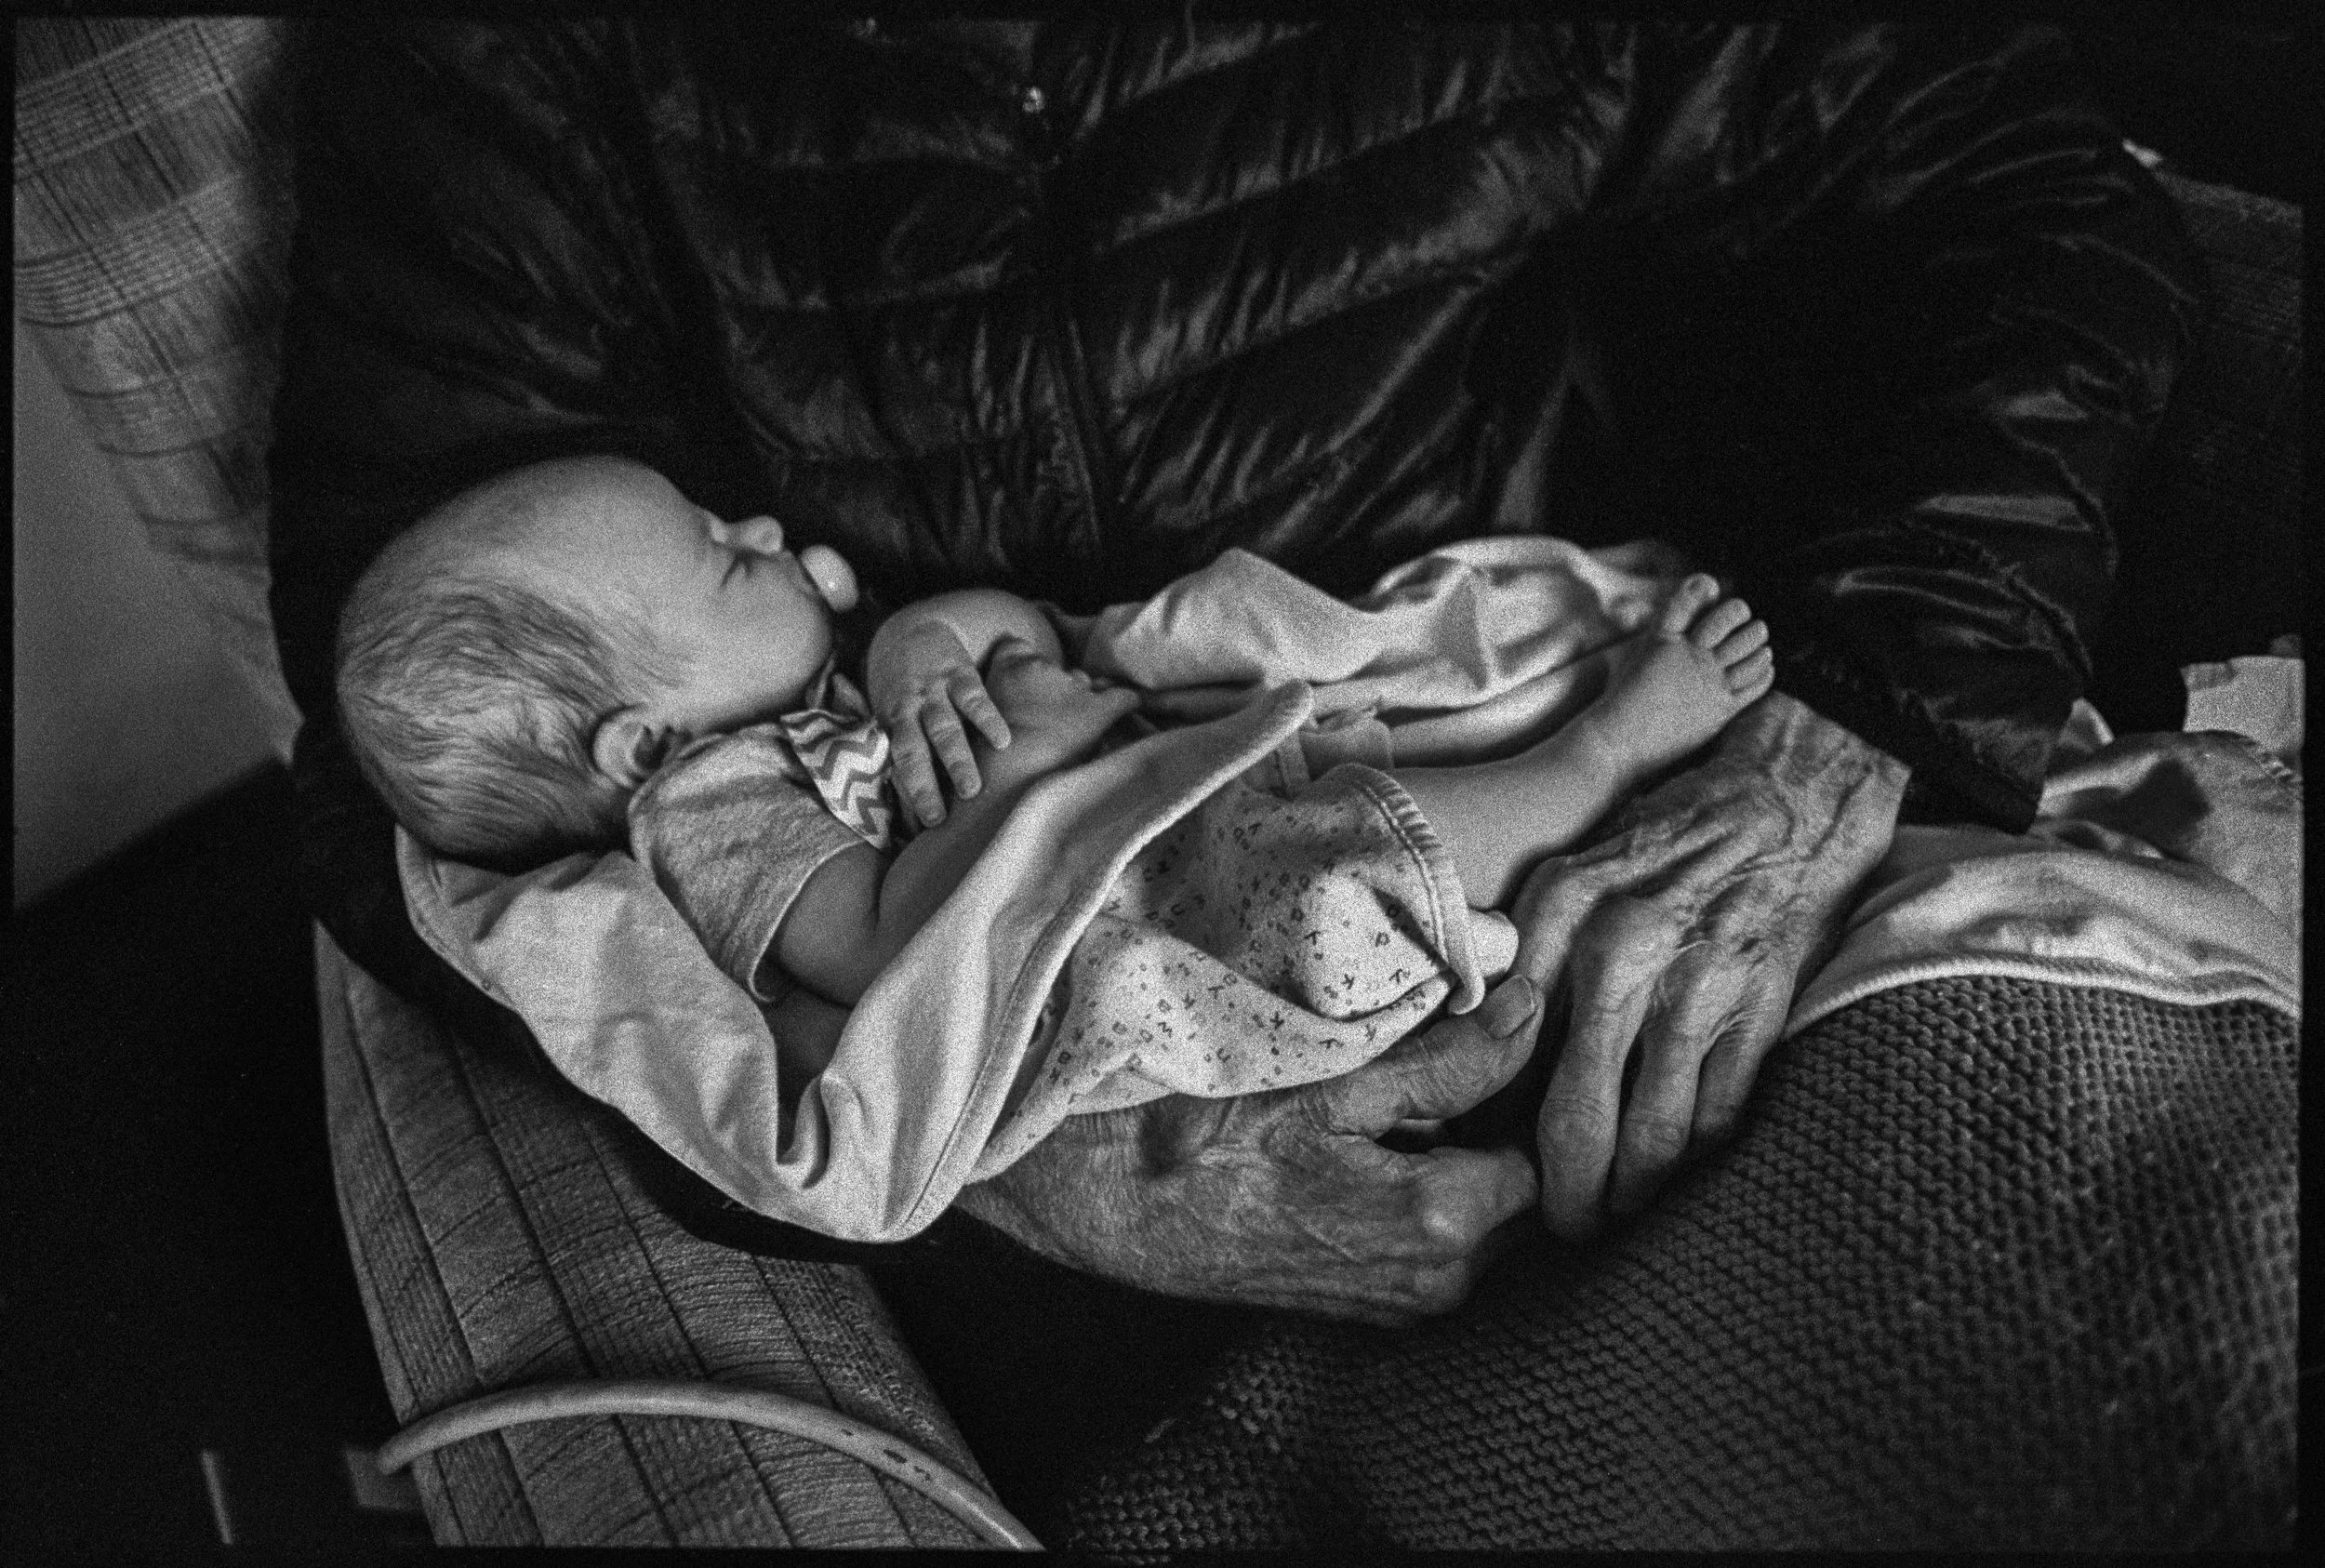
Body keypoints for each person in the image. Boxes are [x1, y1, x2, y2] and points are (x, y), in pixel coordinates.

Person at [271, 20, 2201, 1324]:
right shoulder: (515, 59)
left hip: (1538, 738)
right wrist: (1049, 1156)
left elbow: (2031, 197)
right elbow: (413, 782)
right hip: (1148, 1029)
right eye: (731, 546)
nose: (784, 546)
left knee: (2069, 1178)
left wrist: (1845, 720)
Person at [338, 455, 1776, 1236]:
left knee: (1322, 709)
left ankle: (1555, 696)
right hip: (1129, 931)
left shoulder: (814, 685)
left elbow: (1011, 626)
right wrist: (1015, 765)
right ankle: (1600, 754)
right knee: (1355, 869)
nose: (766, 525)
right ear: (642, 745)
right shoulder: (715, 816)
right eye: (724, 552)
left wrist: (921, 650)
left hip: (1159, 802)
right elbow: (889, 940)